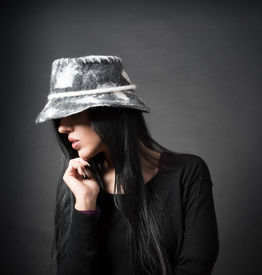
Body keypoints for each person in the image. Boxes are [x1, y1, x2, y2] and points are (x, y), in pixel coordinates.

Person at [35, 55, 219, 275]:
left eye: (72, 113)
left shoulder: (188, 173)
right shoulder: (77, 184)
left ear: (109, 112)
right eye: (59, 117)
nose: (62, 128)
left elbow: (195, 266)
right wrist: (85, 203)